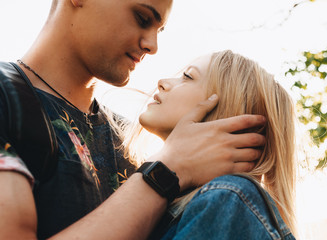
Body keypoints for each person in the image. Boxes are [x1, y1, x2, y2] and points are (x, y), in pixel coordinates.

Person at [0, 0, 266, 239]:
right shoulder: (7, 98)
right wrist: (165, 172)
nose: (153, 46)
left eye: (159, 31)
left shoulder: (130, 141)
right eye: (142, 18)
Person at [124, 50, 297, 239]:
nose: (163, 83)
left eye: (187, 76)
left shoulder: (227, 198)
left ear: (225, 110)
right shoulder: (169, 204)